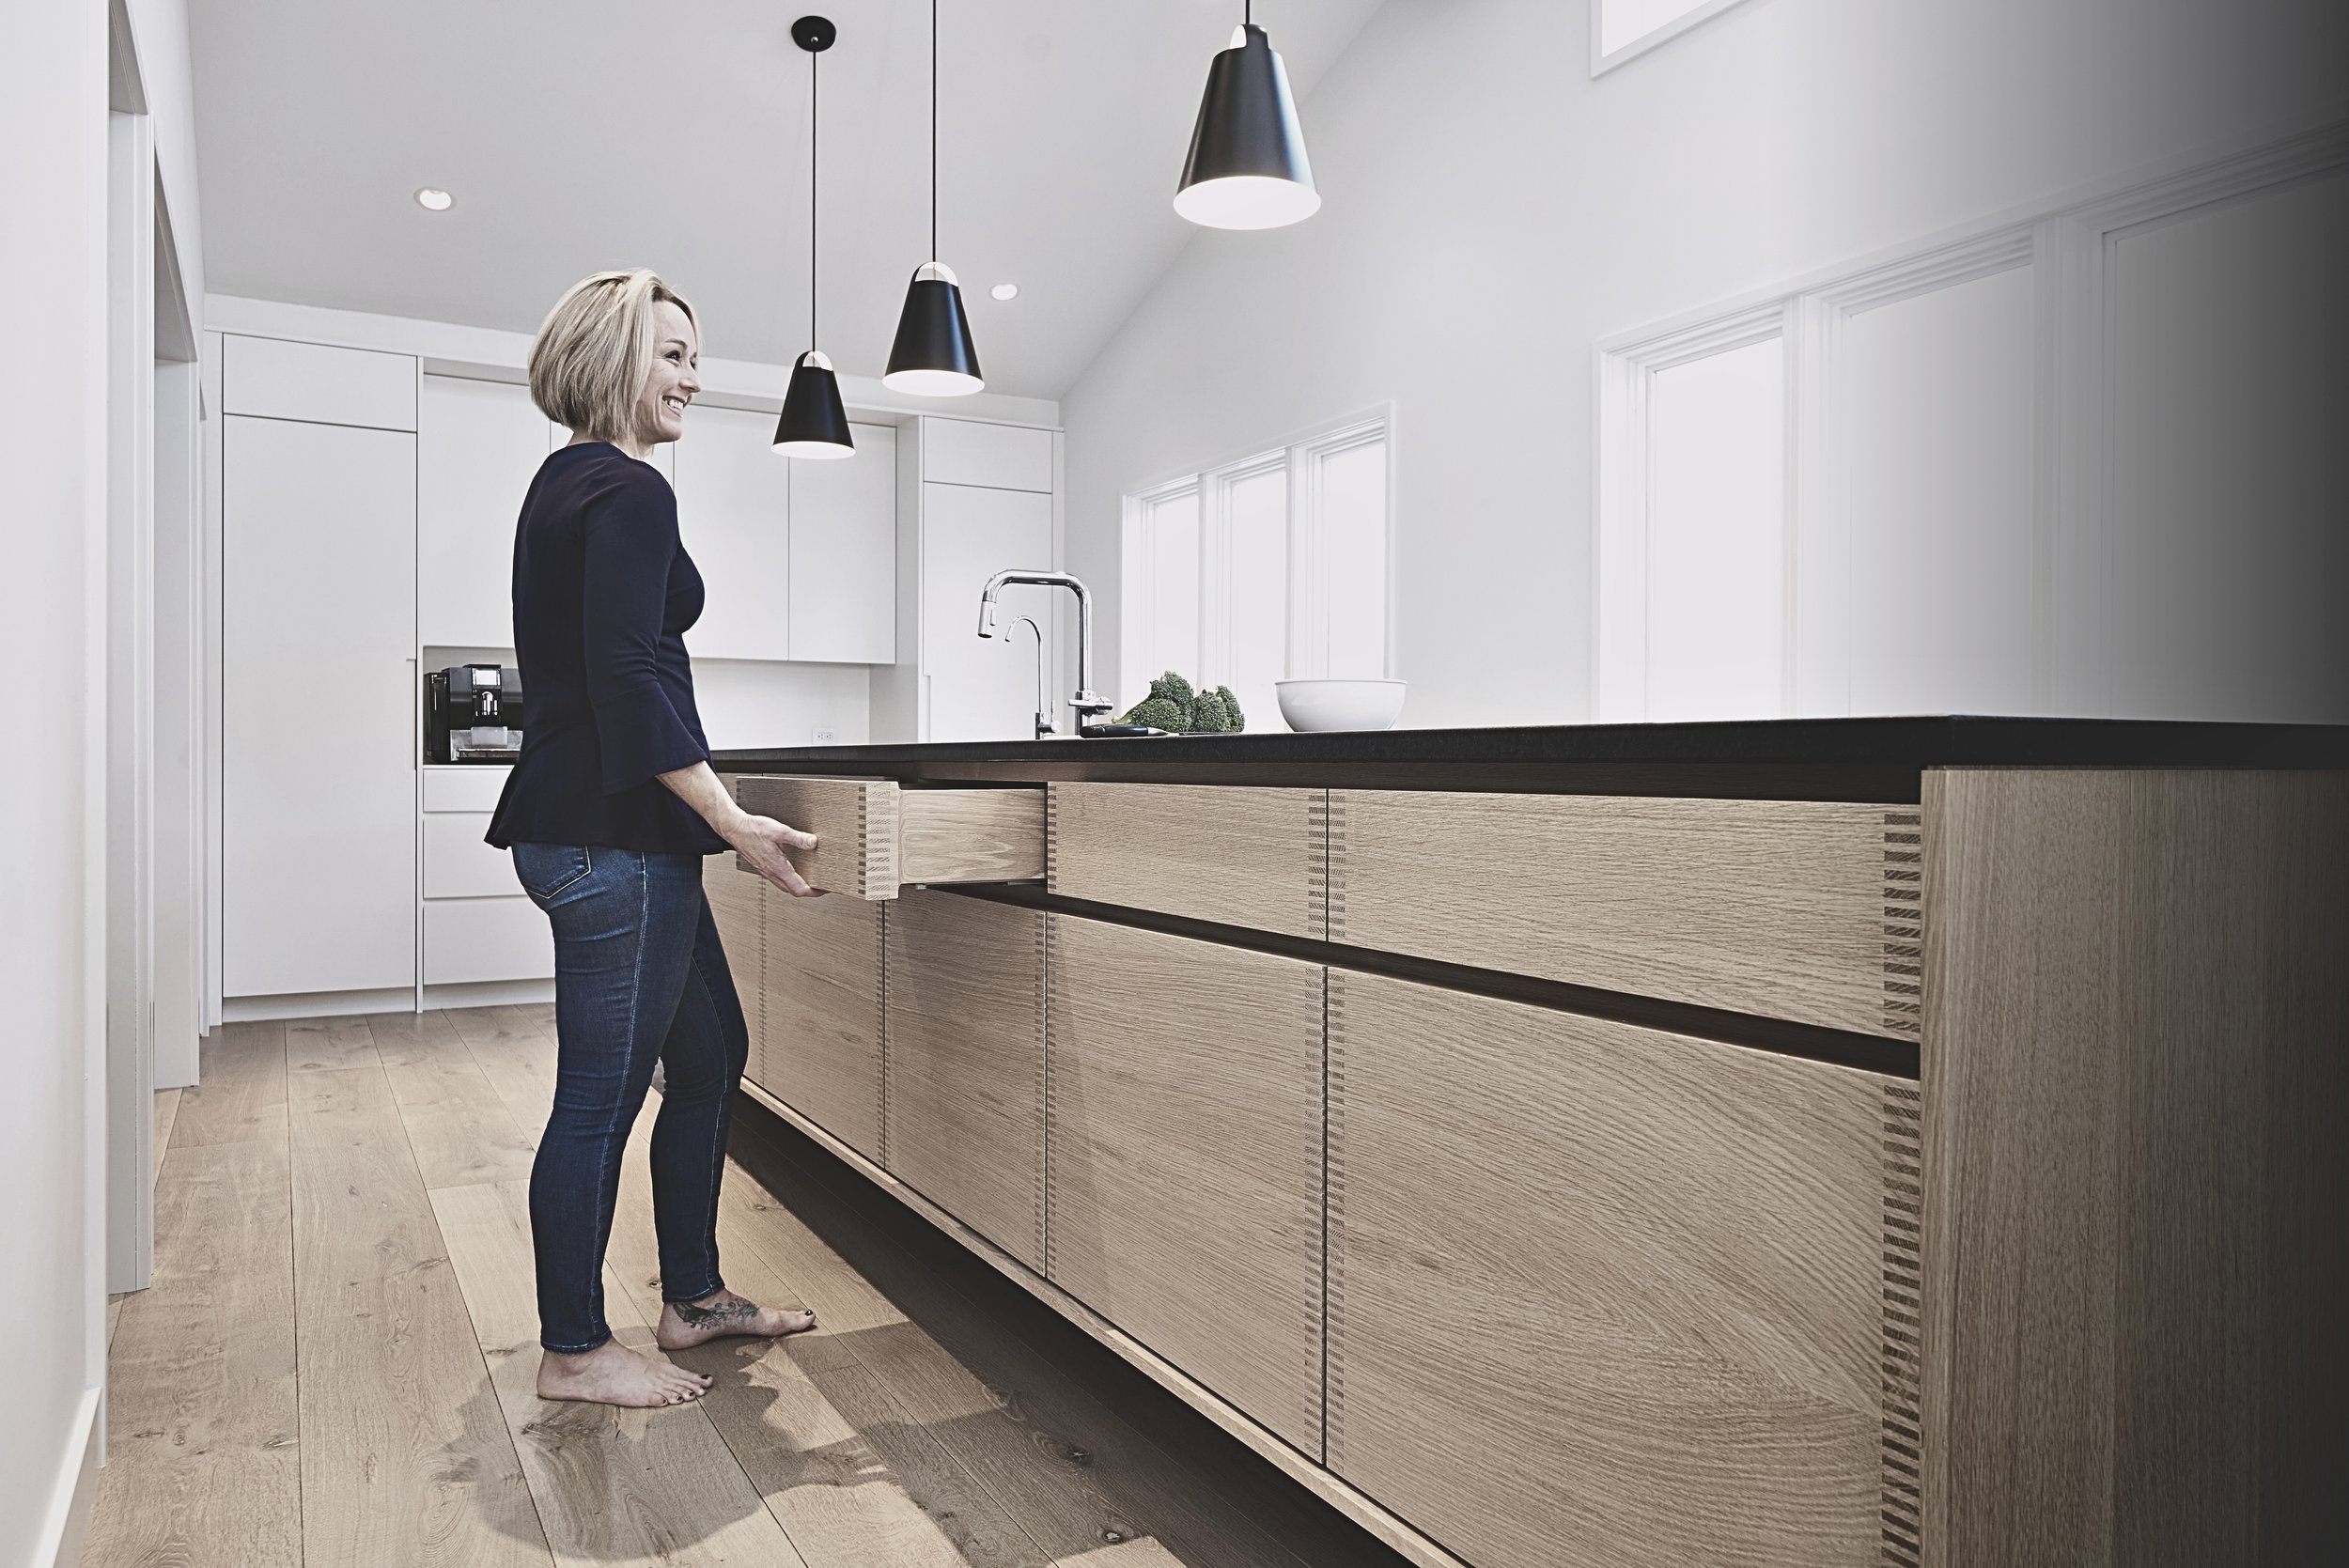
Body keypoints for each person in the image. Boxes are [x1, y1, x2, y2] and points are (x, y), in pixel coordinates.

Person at [487, 269, 822, 1407]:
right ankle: (575, 1348)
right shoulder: (628, 490)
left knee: (712, 1052)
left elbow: (617, 668)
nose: (692, 375)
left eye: (694, 355)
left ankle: (692, 1299)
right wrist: (731, 820)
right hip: (614, 842)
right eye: (668, 352)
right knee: (598, 1100)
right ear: (608, 358)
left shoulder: (562, 481)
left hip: (605, 834)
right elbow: (630, 675)